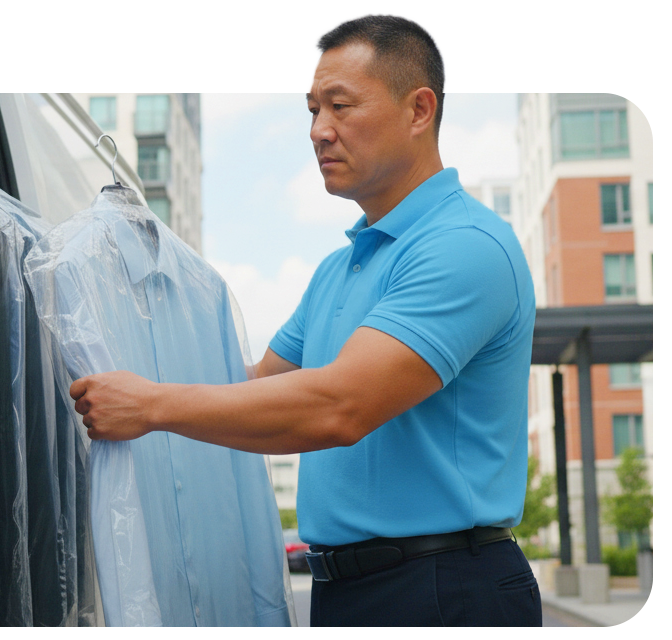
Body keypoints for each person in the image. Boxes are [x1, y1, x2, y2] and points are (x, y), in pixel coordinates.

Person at [69, 12, 541, 627]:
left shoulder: (466, 245)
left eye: (341, 107)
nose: (319, 131)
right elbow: (251, 387)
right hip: (349, 592)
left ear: (419, 110)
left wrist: (151, 405)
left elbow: (338, 407)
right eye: (313, 110)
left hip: (443, 589)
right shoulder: (337, 271)